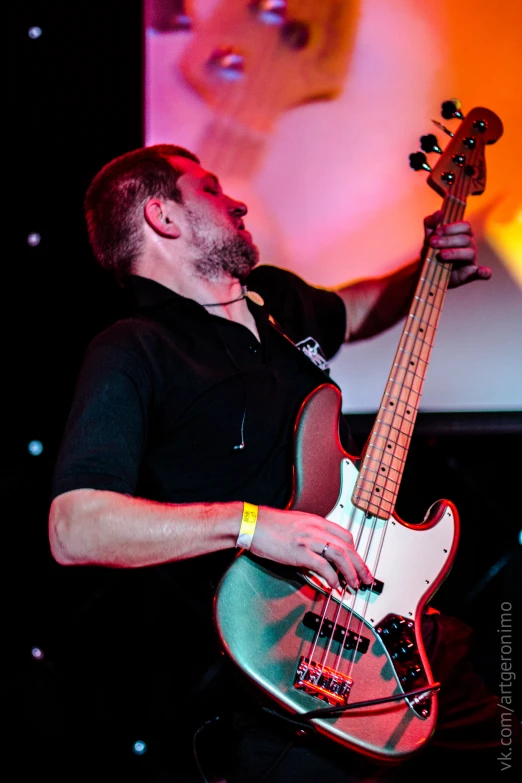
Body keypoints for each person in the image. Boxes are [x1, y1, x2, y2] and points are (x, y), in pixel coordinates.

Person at [47, 144, 508, 782]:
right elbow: (75, 527)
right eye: (209, 189)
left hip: (397, 633)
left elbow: (358, 307)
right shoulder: (134, 348)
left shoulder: (273, 303)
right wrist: (256, 524)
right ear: (163, 216)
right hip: (285, 668)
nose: (236, 201)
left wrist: (425, 270)